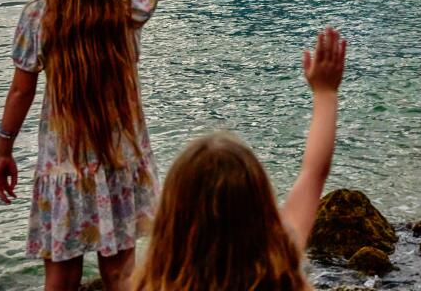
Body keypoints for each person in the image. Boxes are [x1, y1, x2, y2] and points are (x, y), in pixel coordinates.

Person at [0, 0, 280, 291]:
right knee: (122, 273)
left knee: (61, 276)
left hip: (62, 165)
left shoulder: (39, 15)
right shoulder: (128, 0)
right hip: (120, 159)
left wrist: (3, 151)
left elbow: (21, 91)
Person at [133, 27, 346, 291]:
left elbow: (314, 172)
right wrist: (325, 93)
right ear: (260, 207)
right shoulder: (282, 266)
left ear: (172, 220)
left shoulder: (156, 283)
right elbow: (314, 172)